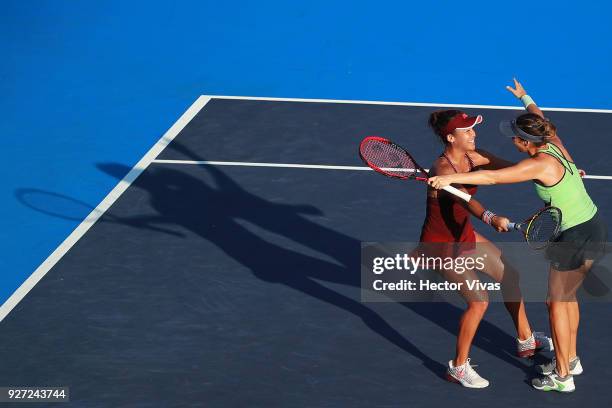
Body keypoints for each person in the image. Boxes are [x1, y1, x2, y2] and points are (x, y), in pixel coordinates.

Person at [428, 79, 608, 393]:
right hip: (593, 227)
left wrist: (449, 179)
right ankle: (571, 358)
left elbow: (493, 178)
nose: (512, 139)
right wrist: (525, 97)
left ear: (526, 143)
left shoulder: (535, 164)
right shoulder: (553, 142)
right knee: (567, 299)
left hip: (572, 238)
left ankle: (563, 376)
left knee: (555, 304)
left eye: (515, 137)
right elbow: (539, 117)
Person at [420, 108, 551, 389]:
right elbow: (468, 203)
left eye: (472, 128)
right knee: (479, 302)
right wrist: (492, 218)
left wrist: (556, 175)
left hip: (464, 235)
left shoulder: (475, 156)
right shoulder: (442, 171)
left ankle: (526, 340)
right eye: (467, 130)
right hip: (442, 247)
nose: (474, 133)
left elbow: (513, 171)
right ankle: (458, 367)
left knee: (510, 276)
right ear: (451, 138)